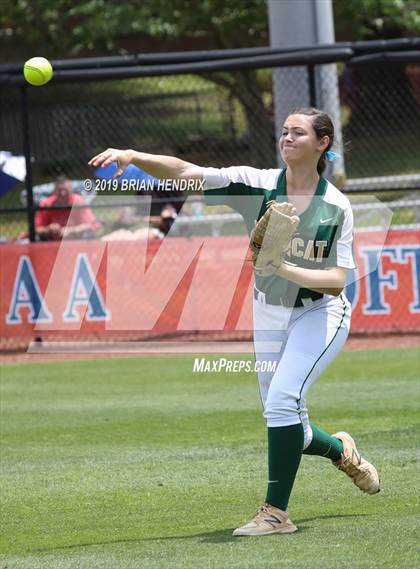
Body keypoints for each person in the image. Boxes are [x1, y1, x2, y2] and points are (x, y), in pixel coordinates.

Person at [88, 107, 380, 536]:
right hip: (269, 311)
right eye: (284, 131)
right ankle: (341, 451)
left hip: (320, 313)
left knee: (282, 403)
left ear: (322, 143)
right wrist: (133, 155)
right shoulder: (258, 183)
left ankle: (275, 514)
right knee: (285, 421)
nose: (287, 138)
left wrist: (281, 266)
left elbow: (337, 282)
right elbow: (189, 173)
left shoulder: (335, 205)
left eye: (298, 133)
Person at [35, 175, 100, 240]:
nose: (62, 193)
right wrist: (48, 229)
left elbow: (91, 225)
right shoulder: (46, 204)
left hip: (75, 240)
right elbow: (37, 229)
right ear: (54, 190)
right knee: (36, 237)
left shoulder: (78, 201)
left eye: (65, 190)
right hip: (51, 241)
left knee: (88, 234)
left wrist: (72, 230)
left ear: (71, 189)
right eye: (59, 190)